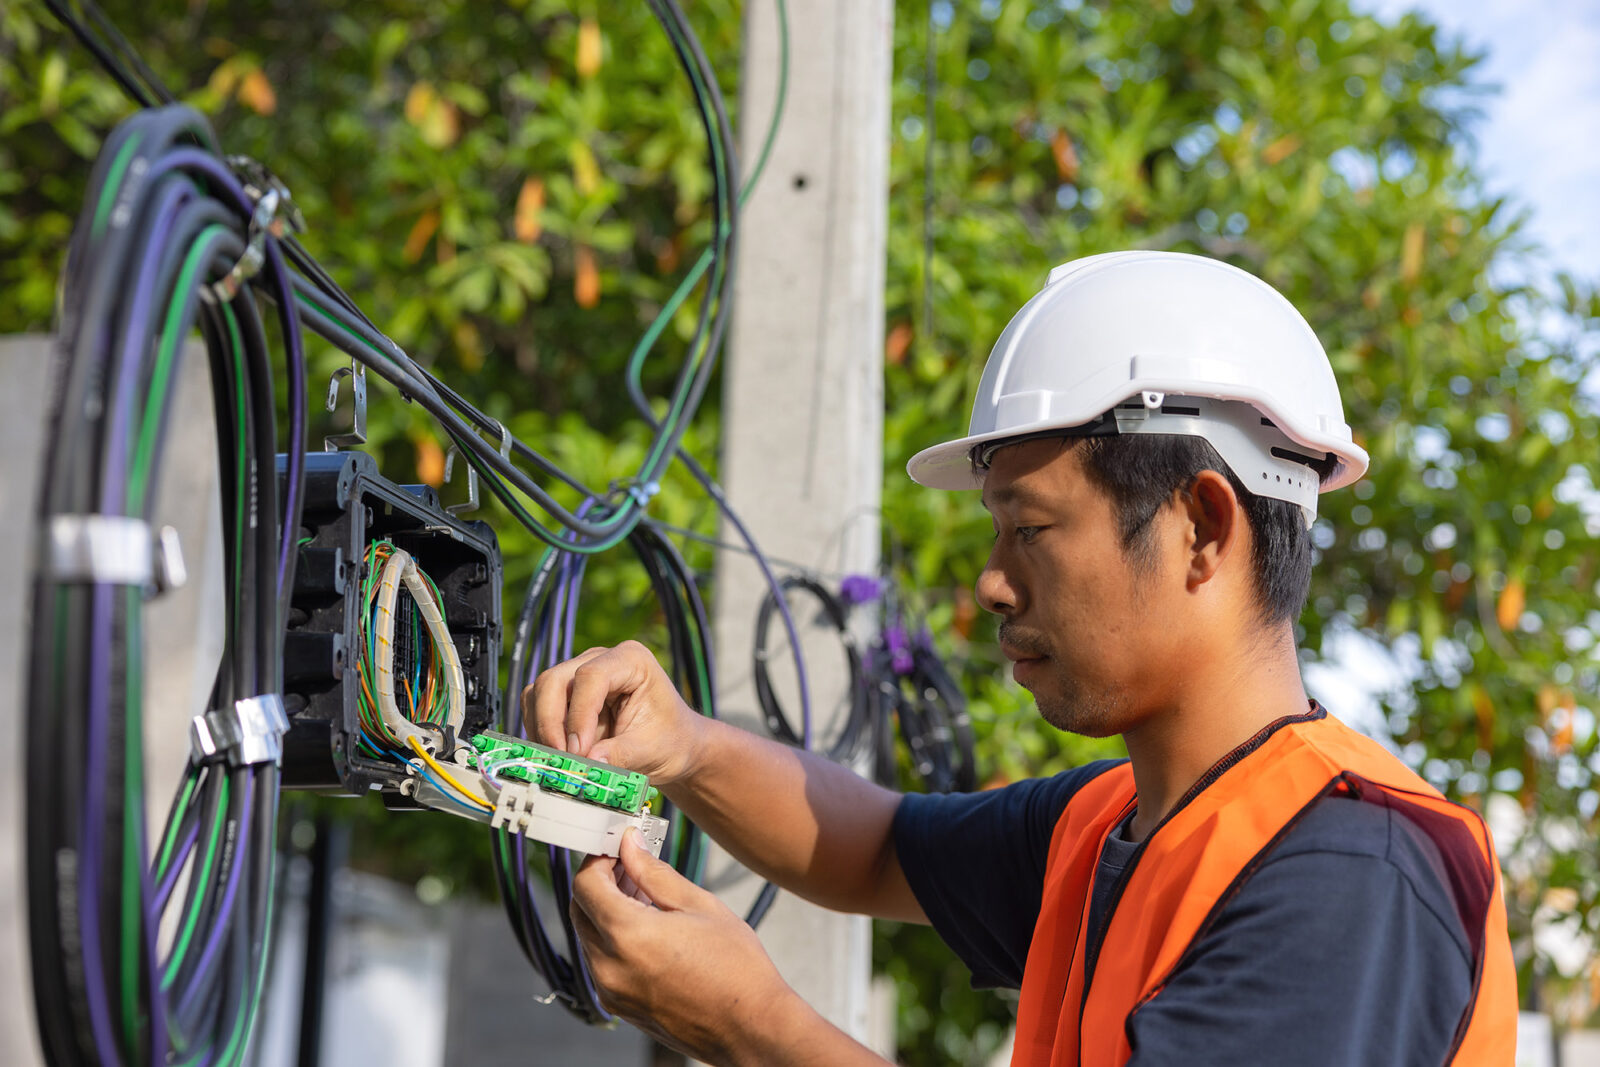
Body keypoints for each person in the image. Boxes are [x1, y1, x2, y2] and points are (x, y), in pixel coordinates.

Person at [524, 251, 1517, 1065]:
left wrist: (751, 1023)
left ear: (1201, 527)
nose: (993, 583)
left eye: (1030, 527)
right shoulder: (1108, 826)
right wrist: (686, 744)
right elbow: (872, 844)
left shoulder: (1348, 872)